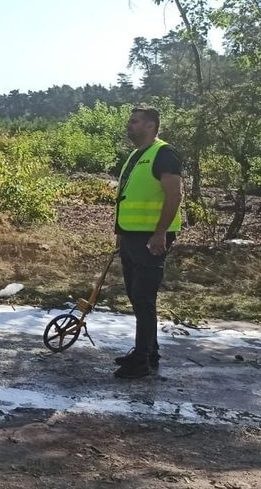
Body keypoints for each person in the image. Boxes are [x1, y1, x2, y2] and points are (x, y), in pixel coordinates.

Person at [113, 106, 183, 379]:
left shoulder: (164, 153)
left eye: (135, 121)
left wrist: (160, 233)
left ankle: (141, 361)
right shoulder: (135, 155)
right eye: (129, 120)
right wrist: (120, 233)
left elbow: (174, 195)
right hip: (130, 235)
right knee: (135, 295)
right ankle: (148, 352)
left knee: (143, 298)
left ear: (152, 125)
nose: (129, 125)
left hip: (150, 239)